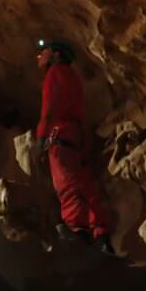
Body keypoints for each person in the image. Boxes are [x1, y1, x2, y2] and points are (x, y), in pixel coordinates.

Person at [35, 38, 114, 255]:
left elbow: (50, 107)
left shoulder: (55, 74)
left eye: (45, 51)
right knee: (84, 185)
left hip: (61, 137)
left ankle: (78, 233)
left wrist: (41, 139)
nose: (39, 55)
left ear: (57, 55)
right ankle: (101, 234)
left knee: (67, 185)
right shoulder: (73, 78)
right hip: (77, 137)